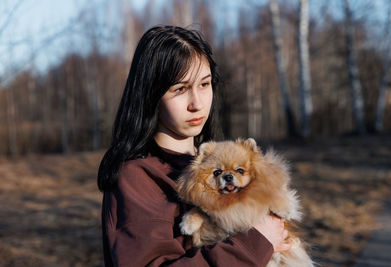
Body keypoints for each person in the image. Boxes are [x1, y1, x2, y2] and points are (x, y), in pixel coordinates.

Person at [98, 25, 291, 266]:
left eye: (204, 84)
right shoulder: (137, 177)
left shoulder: (219, 161)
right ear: (151, 95)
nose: (197, 104)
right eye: (180, 89)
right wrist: (254, 244)